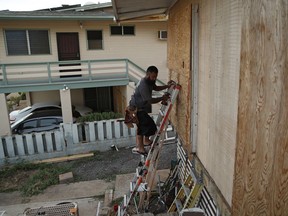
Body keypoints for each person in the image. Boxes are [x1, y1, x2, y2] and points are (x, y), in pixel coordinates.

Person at [129, 65, 172, 155]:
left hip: (141, 107)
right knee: (146, 126)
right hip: (136, 108)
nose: (154, 79)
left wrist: (167, 86)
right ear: (148, 74)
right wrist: (162, 98)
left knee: (145, 126)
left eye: (155, 77)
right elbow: (150, 100)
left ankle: (145, 141)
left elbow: (155, 87)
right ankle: (141, 147)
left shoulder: (150, 81)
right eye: (153, 77)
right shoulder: (144, 84)